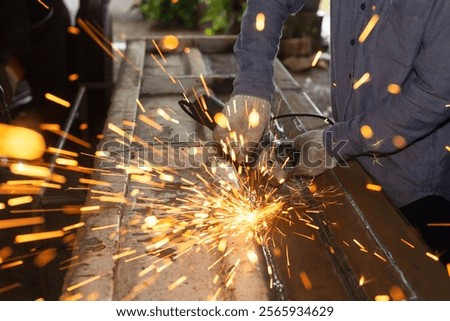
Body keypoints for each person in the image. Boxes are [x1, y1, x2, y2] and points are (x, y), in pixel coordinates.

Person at [213, 0, 450, 263]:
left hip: (418, 187)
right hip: (352, 161)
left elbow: (436, 94)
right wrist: (252, 86)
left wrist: (339, 141)